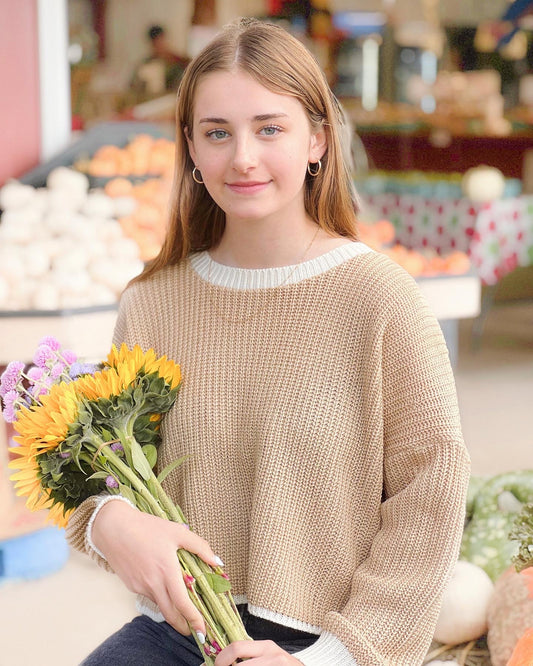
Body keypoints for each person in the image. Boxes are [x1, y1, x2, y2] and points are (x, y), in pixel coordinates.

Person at [66, 17, 471, 666]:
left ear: (316, 139)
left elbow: (431, 492)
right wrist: (107, 521)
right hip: (178, 634)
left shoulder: (380, 300)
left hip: (326, 642)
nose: (242, 157)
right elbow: (103, 463)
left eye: (269, 128)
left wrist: (330, 656)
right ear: (191, 150)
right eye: (217, 133)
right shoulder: (152, 303)